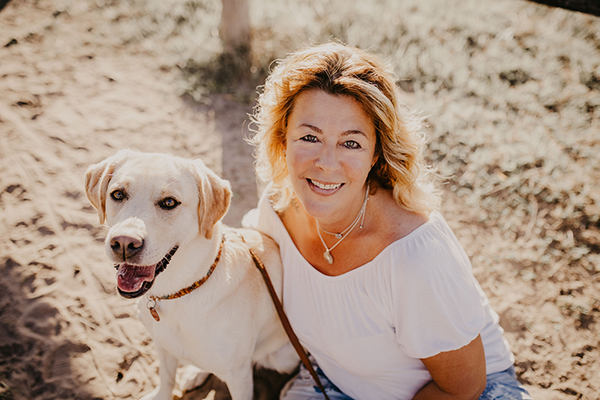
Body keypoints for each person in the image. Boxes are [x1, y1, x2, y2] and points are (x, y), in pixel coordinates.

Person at [242, 42, 532, 400]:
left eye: (351, 143)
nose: (326, 163)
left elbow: (462, 388)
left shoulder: (414, 257)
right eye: (309, 137)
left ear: (377, 152)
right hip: (337, 380)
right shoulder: (278, 205)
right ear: (283, 138)